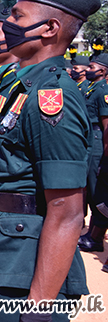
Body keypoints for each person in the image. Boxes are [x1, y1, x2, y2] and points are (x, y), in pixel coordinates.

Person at [0, 0, 101, 321]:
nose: (5, 26)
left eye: (17, 18)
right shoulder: (19, 88)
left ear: (49, 29)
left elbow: (66, 212)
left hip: (25, 272)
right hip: (0, 250)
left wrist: (39, 307)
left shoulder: (52, 99)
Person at [76, 52, 108, 254]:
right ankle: (93, 233)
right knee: (89, 186)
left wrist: (105, 155)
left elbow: (106, 125)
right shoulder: (91, 88)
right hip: (89, 139)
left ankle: (97, 235)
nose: (88, 70)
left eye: (91, 67)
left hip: (98, 141)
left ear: (103, 71)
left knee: (99, 190)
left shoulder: (103, 90)